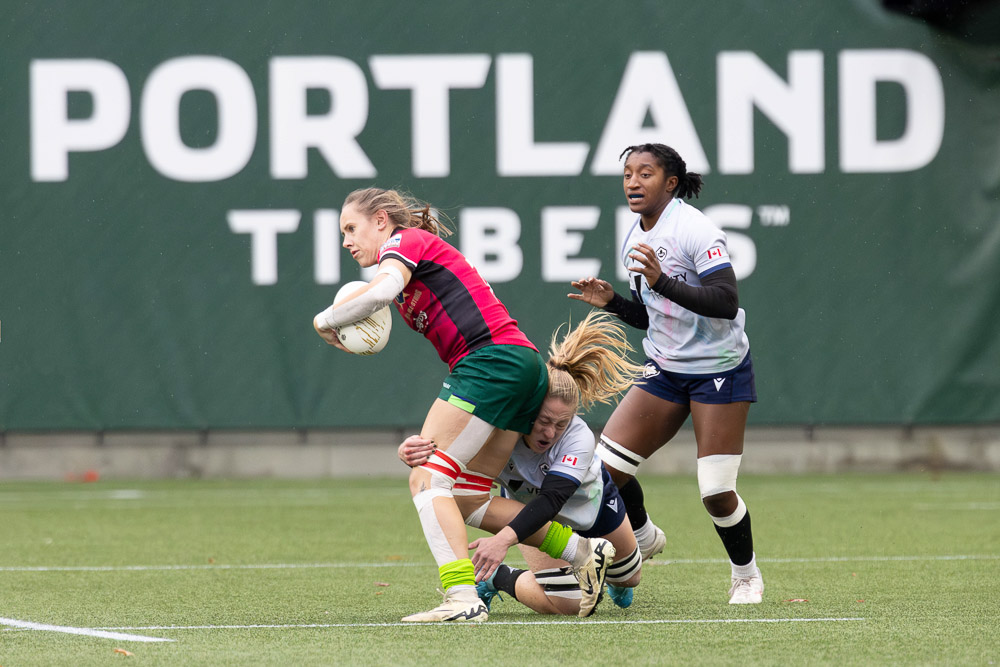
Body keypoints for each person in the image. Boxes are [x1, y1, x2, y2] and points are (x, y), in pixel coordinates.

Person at [312, 187, 612, 622]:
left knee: (426, 481)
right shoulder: (404, 268)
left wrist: (324, 321)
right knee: (468, 497)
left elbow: (378, 293)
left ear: (381, 220)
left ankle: (461, 598)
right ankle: (584, 549)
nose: (346, 241)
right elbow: (382, 295)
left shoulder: (403, 243)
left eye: (350, 228)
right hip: (516, 363)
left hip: (491, 360)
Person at [568, 143, 765, 605]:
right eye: (627, 174)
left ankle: (746, 575)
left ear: (670, 183)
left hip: (719, 370)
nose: (633, 182)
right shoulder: (634, 235)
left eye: (646, 173)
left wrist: (661, 282)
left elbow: (725, 300)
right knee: (600, 473)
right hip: (665, 368)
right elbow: (654, 317)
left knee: (716, 492)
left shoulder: (695, 230)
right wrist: (614, 302)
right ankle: (643, 533)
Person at [399, 311, 646, 615]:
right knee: (568, 604)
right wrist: (412, 450)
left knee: (630, 577)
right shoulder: (501, 427)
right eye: (543, 421)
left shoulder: (579, 438)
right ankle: (495, 580)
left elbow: (553, 499)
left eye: (561, 423)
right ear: (528, 410)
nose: (550, 432)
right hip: (527, 515)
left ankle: (630, 552)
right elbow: (448, 454)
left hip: (589, 507)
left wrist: (502, 540)